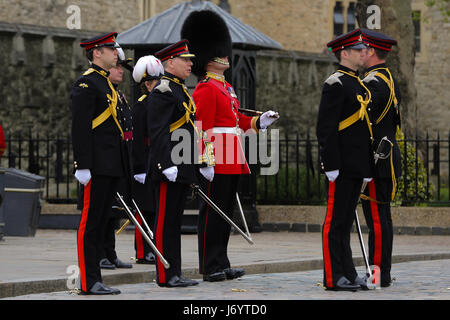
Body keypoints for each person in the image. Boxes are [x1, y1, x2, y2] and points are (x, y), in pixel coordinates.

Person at [181, 10, 279, 282]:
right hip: (217, 158)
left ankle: (221, 261)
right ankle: (209, 265)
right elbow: (201, 129)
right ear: (209, 57)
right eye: (220, 53)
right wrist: (206, 160)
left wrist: (260, 121)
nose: (226, 56)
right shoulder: (205, 88)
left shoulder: (226, 87)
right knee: (213, 214)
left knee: (224, 215)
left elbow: (237, 122)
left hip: (232, 156)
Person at [316, 29, 374, 291]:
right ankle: (333, 276)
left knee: (346, 222)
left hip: (356, 164)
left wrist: (366, 167)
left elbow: (363, 132)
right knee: (335, 222)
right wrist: (330, 165)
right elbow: (326, 129)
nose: (364, 53)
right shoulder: (335, 83)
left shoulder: (358, 84)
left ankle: (348, 273)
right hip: (339, 166)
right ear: (344, 53)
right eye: (359, 50)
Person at [71, 32, 123, 295]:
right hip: (95, 165)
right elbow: (80, 127)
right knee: (90, 224)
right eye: (110, 49)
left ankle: (96, 279)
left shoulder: (106, 84)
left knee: (103, 221)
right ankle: (88, 281)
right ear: (96, 53)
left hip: (110, 164)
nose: (116, 53)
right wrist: (82, 164)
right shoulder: (86, 84)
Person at [147, 39, 199, 288]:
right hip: (169, 167)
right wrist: (166, 163)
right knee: (165, 221)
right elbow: (157, 131)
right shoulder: (163, 90)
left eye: (190, 60)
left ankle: (174, 272)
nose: (190, 64)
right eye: (185, 59)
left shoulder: (180, 89)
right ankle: (164, 273)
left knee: (174, 222)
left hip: (182, 165)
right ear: (170, 62)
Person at [360, 29, 402, 288]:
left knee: (377, 219)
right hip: (386, 156)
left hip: (377, 158)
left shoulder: (373, 82)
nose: (359, 54)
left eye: (363, 50)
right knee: (382, 218)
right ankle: (382, 272)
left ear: (372, 52)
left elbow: (364, 122)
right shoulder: (386, 77)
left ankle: (378, 274)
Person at [98, 46, 134, 271]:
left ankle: (110, 253)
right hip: (103, 160)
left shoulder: (118, 95)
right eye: (118, 66)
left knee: (113, 212)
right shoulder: (102, 92)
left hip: (118, 160)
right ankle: (100, 254)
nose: (121, 71)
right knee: (102, 212)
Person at [131, 55, 164, 265]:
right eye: (154, 82)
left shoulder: (159, 103)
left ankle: (155, 245)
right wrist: (139, 167)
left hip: (158, 160)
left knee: (157, 207)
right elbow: (137, 140)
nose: (158, 85)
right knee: (145, 208)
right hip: (146, 162)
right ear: (146, 84)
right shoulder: (141, 106)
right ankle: (143, 250)